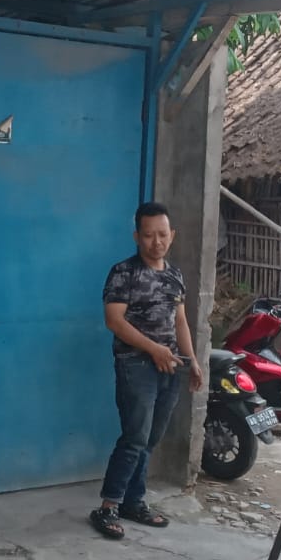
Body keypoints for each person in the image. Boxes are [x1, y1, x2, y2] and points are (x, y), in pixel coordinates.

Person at [90, 202, 202, 541]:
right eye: (149, 235)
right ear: (137, 236)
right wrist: (153, 349)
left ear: (173, 235)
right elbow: (114, 321)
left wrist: (192, 359)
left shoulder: (174, 275)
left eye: (163, 235)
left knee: (151, 438)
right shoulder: (123, 272)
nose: (157, 242)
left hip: (170, 365)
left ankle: (134, 501)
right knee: (135, 437)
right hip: (136, 364)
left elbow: (179, 320)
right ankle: (108, 506)